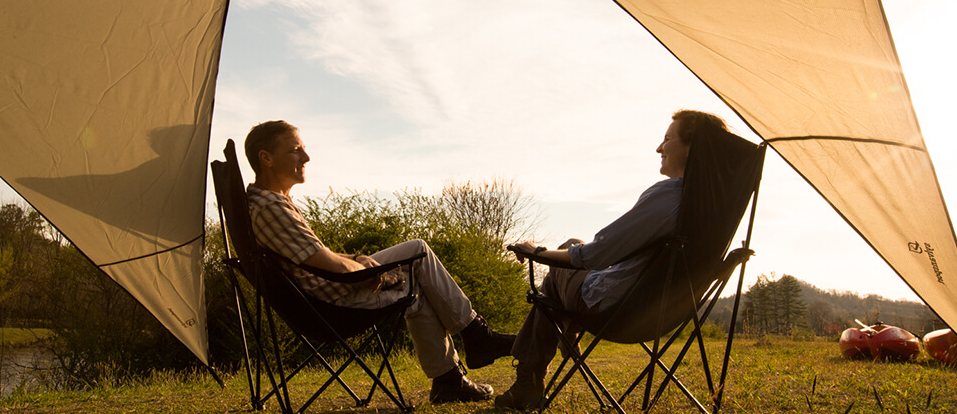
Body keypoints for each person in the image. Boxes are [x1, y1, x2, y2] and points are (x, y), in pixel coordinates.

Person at [243, 120, 515, 404]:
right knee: (415, 265)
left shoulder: (272, 201)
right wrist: (371, 274)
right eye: (295, 150)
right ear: (267, 158)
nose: (306, 157)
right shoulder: (270, 207)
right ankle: (472, 344)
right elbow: (326, 263)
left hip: (326, 292)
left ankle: (454, 371)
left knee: (415, 258)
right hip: (330, 303)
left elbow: (318, 255)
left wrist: (359, 259)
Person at [494, 109, 728, 410]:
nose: (659, 148)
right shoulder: (711, 209)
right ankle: (564, 337)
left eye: (667, 139)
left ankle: (530, 377)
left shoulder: (671, 196)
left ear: (691, 147)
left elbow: (595, 254)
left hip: (614, 309)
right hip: (663, 311)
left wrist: (536, 253)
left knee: (558, 271)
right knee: (571, 247)